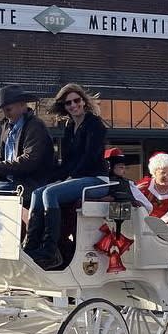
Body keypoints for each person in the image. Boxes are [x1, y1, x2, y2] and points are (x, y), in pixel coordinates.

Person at [24, 83, 108, 270]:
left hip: (97, 180)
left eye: (76, 100)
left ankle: (49, 250)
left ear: (84, 102)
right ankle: (30, 246)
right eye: (68, 103)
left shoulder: (94, 124)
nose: (73, 105)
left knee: (50, 194)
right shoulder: (70, 126)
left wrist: (71, 177)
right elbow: (68, 161)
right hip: (79, 178)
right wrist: (53, 178)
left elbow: (90, 157)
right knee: (39, 192)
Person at [0, 83, 55, 206]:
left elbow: (29, 161)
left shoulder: (35, 126)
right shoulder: (7, 126)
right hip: (10, 182)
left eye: (8, 109)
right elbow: (1, 156)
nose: (6, 114)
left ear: (22, 105)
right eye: (3, 110)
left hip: (31, 183)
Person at [86, 148, 153, 210]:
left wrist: (131, 201)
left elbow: (148, 206)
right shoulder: (95, 182)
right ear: (110, 166)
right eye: (121, 167)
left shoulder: (128, 184)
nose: (124, 171)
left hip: (122, 221)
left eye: (125, 168)